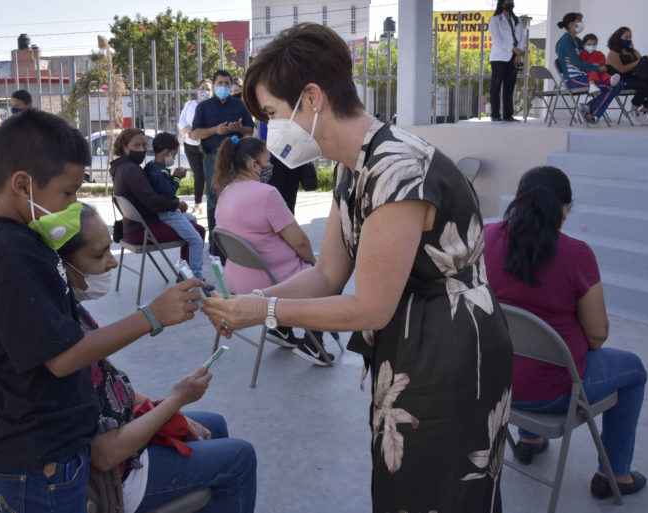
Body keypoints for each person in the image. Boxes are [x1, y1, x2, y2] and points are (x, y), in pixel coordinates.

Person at [201, 23, 513, 512]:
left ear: (311, 97)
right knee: (402, 486)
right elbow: (327, 273)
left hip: (448, 350)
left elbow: (369, 307)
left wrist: (263, 313)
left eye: (271, 113)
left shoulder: (397, 167)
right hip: (410, 343)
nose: (268, 129)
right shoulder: (355, 167)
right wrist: (252, 302)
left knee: (439, 491)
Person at [0, 109, 205, 513]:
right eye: (68, 193)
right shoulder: (11, 260)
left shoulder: (22, 236)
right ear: (23, 185)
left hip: (51, 448)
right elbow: (62, 357)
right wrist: (152, 316)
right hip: (40, 465)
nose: (74, 205)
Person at [55, 203, 256, 513]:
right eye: (98, 255)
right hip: (117, 476)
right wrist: (175, 401)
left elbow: (109, 382)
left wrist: (163, 407)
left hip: (123, 431)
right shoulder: (64, 347)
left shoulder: (69, 311)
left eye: (110, 249)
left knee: (212, 425)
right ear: (62, 263)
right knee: (240, 457)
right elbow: (106, 454)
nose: (112, 263)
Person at [483, 166, 648, 500]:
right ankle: (614, 473)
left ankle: (529, 440)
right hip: (555, 392)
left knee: (524, 348)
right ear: (565, 208)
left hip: (495, 381)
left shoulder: (486, 238)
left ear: (519, 201)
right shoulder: (577, 254)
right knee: (634, 370)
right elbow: (598, 336)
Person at [213, 135, 334, 365]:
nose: (271, 167)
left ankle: (281, 329)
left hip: (237, 277)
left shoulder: (226, 192)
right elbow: (300, 242)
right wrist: (315, 266)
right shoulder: (267, 194)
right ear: (253, 164)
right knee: (325, 278)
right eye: (267, 161)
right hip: (269, 281)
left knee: (302, 268)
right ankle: (313, 344)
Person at [109, 128, 206, 268]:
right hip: (142, 231)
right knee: (198, 232)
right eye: (136, 146)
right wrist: (177, 204)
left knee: (193, 224)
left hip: (134, 227)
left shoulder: (123, 167)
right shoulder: (131, 170)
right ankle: (191, 279)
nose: (142, 149)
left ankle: (185, 276)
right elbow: (153, 202)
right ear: (124, 148)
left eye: (144, 145)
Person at [191, 70, 254, 257]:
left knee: (237, 200)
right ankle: (216, 246)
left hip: (236, 156)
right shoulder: (203, 107)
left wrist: (239, 128)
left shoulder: (239, 105)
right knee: (214, 200)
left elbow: (250, 130)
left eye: (227, 83)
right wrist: (216, 130)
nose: (224, 87)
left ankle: (236, 244)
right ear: (215, 85)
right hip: (212, 157)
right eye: (220, 83)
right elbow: (195, 133)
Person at [143, 132, 209, 289]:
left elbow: (164, 190)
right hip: (168, 214)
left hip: (166, 211)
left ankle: (190, 274)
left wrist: (172, 177)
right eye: (173, 154)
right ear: (166, 152)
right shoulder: (160, 172)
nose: (173, 157)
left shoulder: (152, 167)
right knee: (196, 240)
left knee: (192, 220)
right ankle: (197, 278)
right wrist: (178, 177)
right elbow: (169, 193)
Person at [555, 13, 624, 124]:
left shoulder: (577, 40)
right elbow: (578, 63)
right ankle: (592, 112)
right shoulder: (566, 41)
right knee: (610, 87)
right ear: (572, 24)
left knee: (619, 85)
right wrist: (597, 68)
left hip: (584, 75)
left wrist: (599, 64)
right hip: (573, 78)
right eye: (579, 21)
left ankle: (587, 108)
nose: (582, 23)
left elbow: (588, 56)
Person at [606, 26, 648, 125]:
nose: (629, 39)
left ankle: (643, 113)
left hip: (634, 78)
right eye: (626, 37)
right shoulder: (613, 53)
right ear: (618, 38)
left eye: (630, 37)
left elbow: (642, 64)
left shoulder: (634, 51)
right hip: (620, 80)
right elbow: (622, 69)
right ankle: (632, 112)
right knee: (644, 86)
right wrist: (638, 62)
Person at [258, 120, 318, 215]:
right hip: (275, 159)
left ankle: (288, 226)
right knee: (275, 200)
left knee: (289, 201)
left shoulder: (293, 107)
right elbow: (264, 136)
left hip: (292, 158)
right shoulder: (268, 109)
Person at [488, 0, 527, 122]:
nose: (510, 2)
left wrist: (519, 52)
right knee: (496, 86)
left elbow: (522, 37)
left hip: (514, 57)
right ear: (502, 3)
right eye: (508, 1)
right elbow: (497, 38)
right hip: (499, 57)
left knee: (509, 87)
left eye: (512, 1)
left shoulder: (517, 20)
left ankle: (508, 115)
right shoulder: (495, 20)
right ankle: (495, 115)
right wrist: (512, 48)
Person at [178, 79, 212, 215]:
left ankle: (212, 202)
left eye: (208, 89)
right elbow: (182, 121)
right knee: (198, 175)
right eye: (203, 88)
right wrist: (188, 130)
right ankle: (198, 203)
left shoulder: (213, 106)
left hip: (207, 144)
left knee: (210, 174)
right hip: (190, 145)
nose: (205, 91)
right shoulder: (190, 104)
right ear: (198, 90)